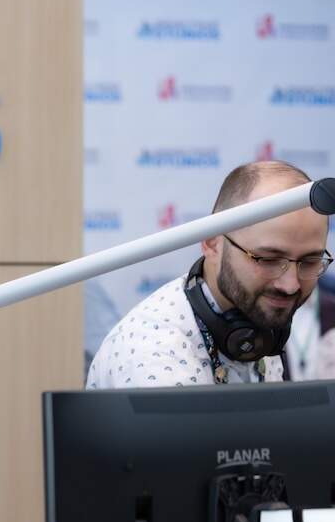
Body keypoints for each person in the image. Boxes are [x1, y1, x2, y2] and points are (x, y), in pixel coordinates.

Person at [87, 161, 331, 389]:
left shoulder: (259, 323)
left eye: (310, 262)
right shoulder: (154, 355)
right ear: (213, 243)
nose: (290, 285)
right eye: (268, 259)